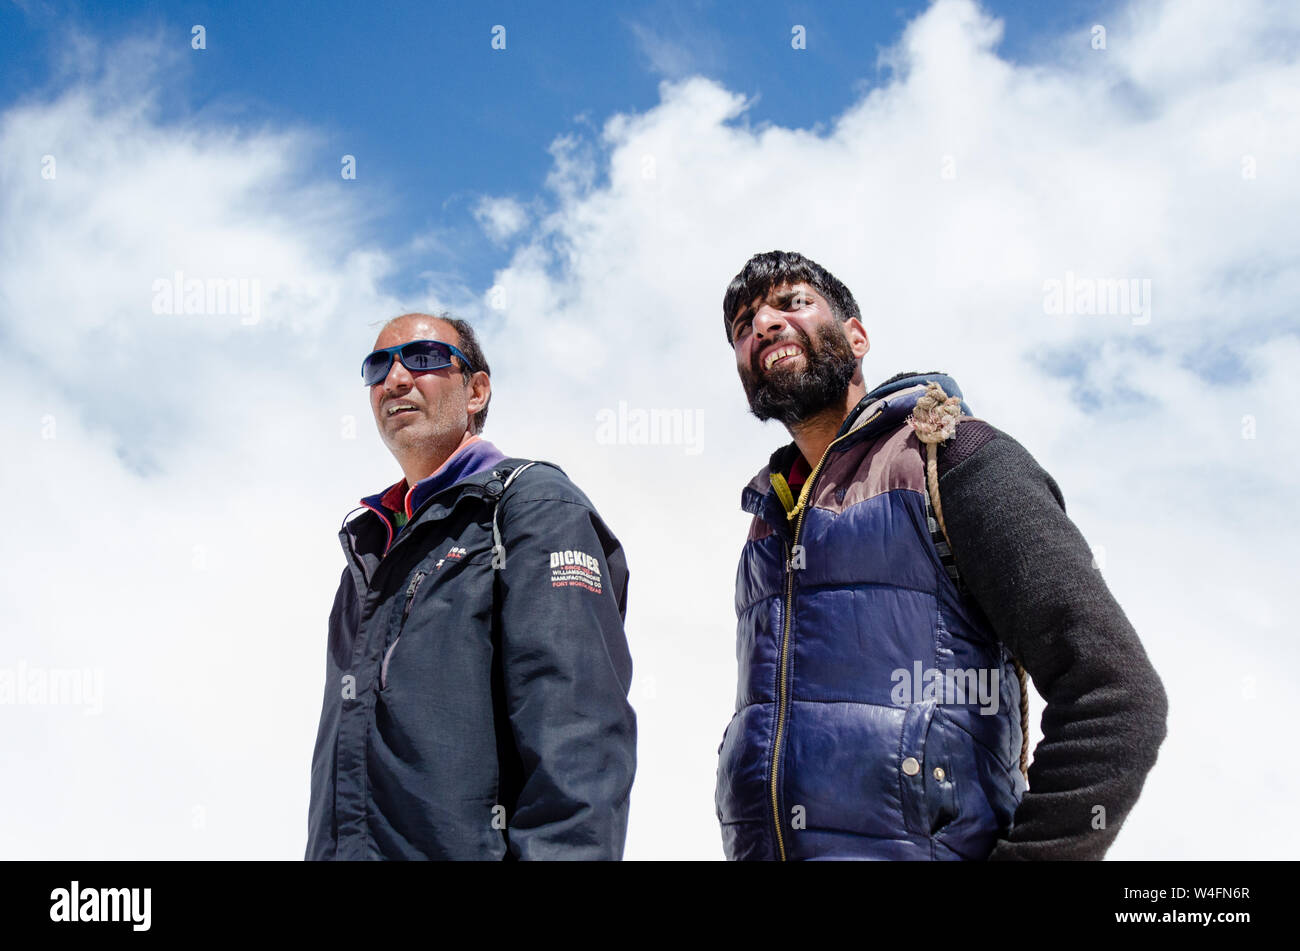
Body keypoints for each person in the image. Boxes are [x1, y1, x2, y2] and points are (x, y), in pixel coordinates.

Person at [714, 250, 1168, 860]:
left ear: (856, 337)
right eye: (743, 326)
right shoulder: (766, 524)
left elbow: (1113, 692)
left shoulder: (952, 457)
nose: (763, 326)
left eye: (793, 303)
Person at [306, 312, 636, 860]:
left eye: (425, 359)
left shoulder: (532, 508)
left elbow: (579, 740)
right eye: (378, 366)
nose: (396, 378)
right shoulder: (369, 550)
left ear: (476, 390)